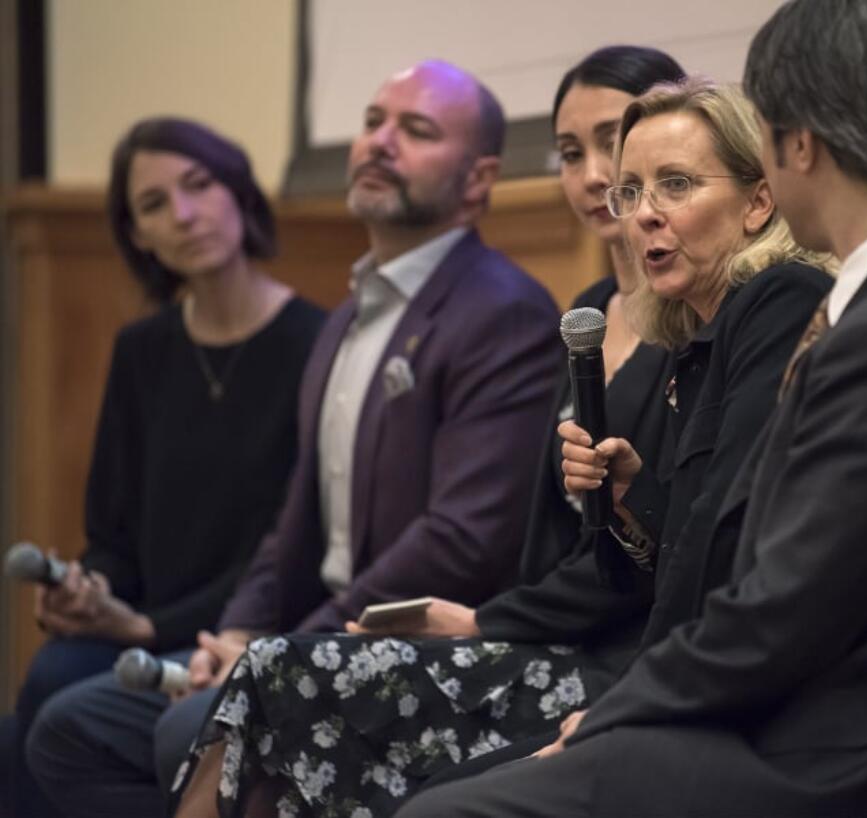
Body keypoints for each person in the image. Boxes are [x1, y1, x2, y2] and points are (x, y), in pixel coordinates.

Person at [403, 0, 867, 815]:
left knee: (442, 810)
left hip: (841, 761)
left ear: (797, 145)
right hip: (819, 717)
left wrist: (615, 712)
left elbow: (785, 612)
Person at [170, 75, 830, 817]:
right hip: (643, 667)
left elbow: (732, 562)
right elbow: (677, 546)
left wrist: (623, 707)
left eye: (674, 185)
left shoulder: (775, 302)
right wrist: (629, 502)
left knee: (368, 757)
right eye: (631, 191)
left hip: (680, 686)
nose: (644, 215)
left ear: (759, 200)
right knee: (277, 706)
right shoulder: (691, 332)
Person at [25, 60, 561, 818]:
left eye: (416, 130)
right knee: (68, 729)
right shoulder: (350, 317)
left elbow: (463, 540)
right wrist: (241, 630)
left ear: (478, 180)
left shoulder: (501, 313)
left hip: (424, 649)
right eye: (373, 121)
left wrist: (278, 652)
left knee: (185, 727)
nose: (379, 142)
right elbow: (290, 527)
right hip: (311, 638)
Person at [0, 117, 325, 818]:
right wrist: (90, 592)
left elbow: (290, 551)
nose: (183, 214)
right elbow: (110, 531)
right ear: (138, 235)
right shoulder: (141, 350)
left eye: (198, 185)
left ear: (238, 191)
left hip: (244, 629)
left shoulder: (317, 343)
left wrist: (142, 627)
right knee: (48, 674)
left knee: (53, 707)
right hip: (141, 626)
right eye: (153, 205)